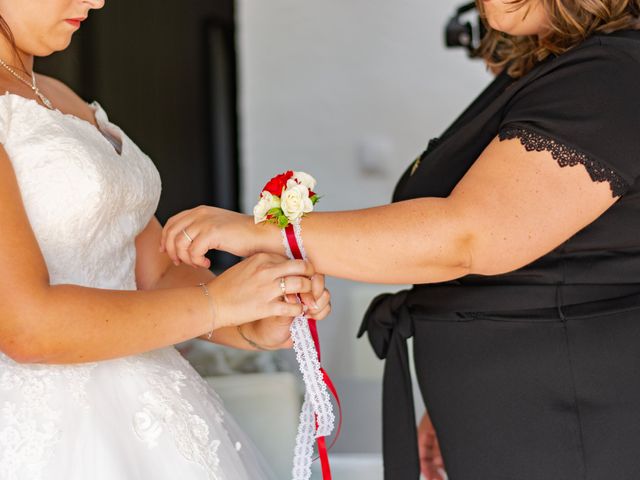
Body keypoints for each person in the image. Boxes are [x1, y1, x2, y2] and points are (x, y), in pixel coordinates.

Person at [161, 0, 640, 479]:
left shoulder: (610, 71)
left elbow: (471, 237)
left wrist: (268, 233)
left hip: (571, 417)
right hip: (529, 405)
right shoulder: (553, 66)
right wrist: (454, 401)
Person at [0, 1, 333, 479]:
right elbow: (27, 327)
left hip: (156, 412)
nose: (96, 1)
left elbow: (152, 273)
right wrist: (217, 303)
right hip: (48, 429)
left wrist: (249, 321)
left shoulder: (57, 95)